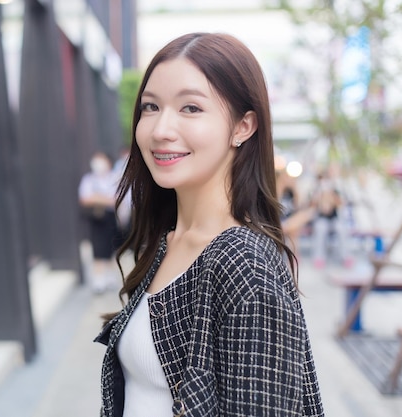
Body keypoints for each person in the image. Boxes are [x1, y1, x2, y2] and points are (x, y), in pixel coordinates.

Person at [94, 32, 324, 416]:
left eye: (190, 109)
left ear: (243, 127)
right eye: (150, 107)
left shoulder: (244, 265)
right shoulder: (166, 241)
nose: (161, 129)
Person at [78, 151, 120, 293]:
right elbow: (84, 199)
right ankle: (99, 278)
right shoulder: (89, 179)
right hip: (96, 219)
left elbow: (117, 199)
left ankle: (109, 276)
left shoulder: (114, 178)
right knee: (98, 248)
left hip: (111, 218)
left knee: (112, 247)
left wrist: (97, 197)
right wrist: (103, 199)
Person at [310, 169, 353, 269]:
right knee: (320, 228)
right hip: (321, 219)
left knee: (341, 229)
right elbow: (312, 205)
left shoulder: (335, 191)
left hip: (334, 219)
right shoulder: (316, 191)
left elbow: (341, 204)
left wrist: (332, 198)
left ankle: (345, 256)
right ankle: (319, 257)